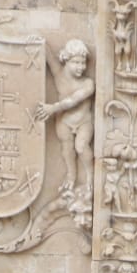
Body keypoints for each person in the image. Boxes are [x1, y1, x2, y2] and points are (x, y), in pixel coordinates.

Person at [36, 38, 96, 195]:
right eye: (76, 62)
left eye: (83, 63)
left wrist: (52, 108)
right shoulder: (58, 74)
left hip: (83, 121)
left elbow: (72, 100)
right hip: (64, 120)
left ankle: (90, 176)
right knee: (67, 148)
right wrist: (36, 42)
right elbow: (48, 56)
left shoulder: (88, 84)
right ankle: (71, 175)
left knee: (81, 146)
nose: (81, 67)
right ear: (66, 60)